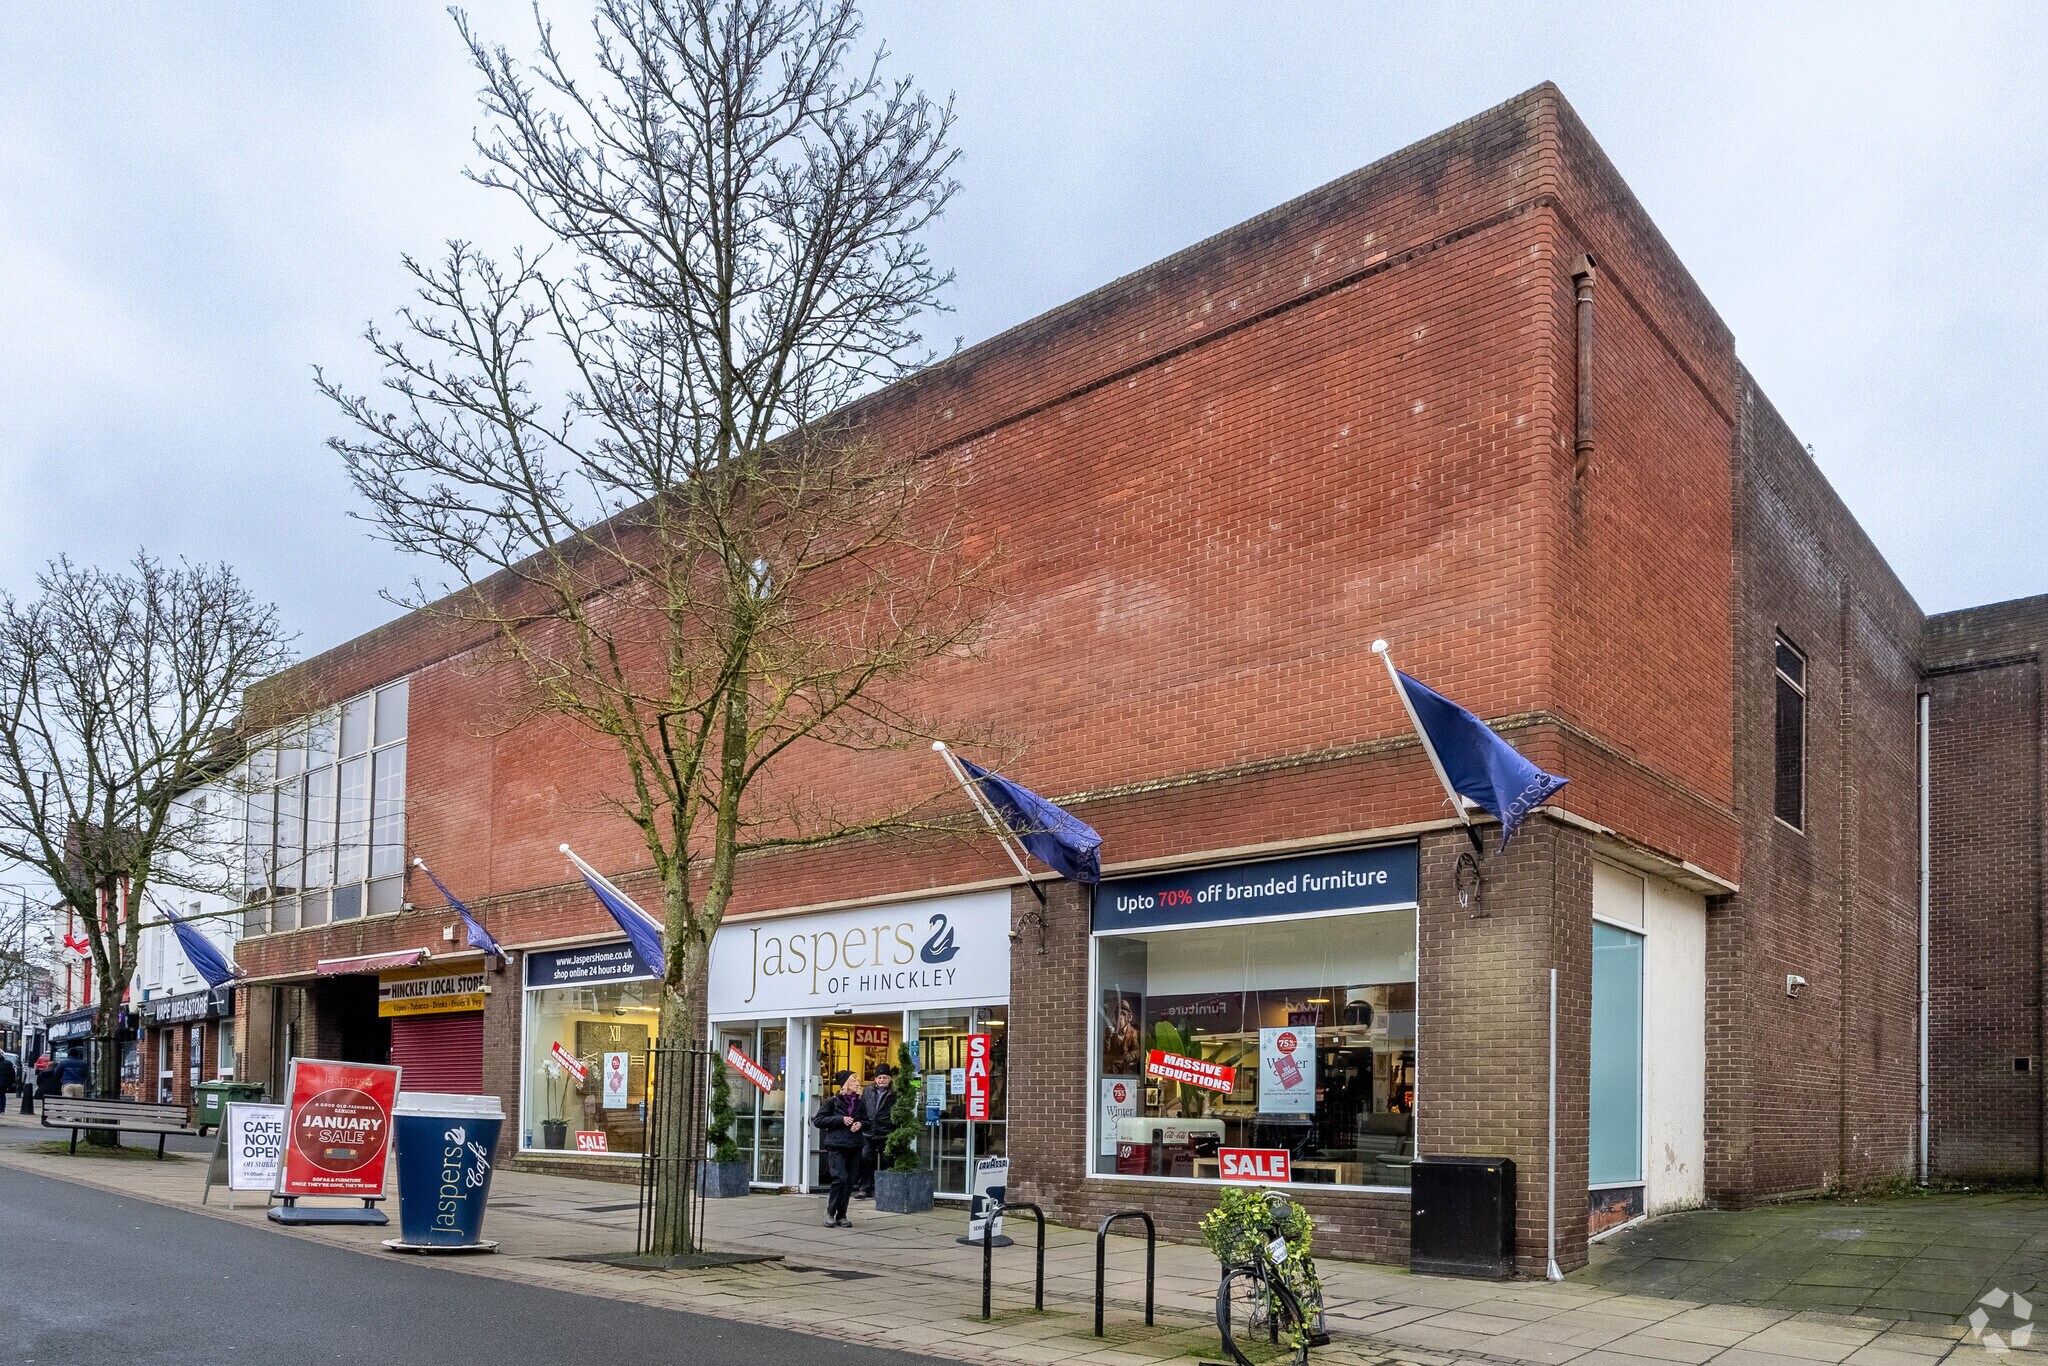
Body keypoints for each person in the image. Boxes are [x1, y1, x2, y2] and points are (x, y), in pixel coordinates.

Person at [811, 1069, 864, 1227]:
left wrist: (860, 1124)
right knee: (839, 1178)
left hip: (855, 1145)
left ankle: (842, 1215)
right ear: (846, 1084)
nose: (857, 1084)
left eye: (858, 1081)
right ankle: (830, 1212)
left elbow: (868, 1121)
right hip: (836, 1145)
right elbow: (819, 1121)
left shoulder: (860, 1103)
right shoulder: (832, 1102)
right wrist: (840, 1119)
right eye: (854, 1081)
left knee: (849, 1182)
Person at [854, 1065, 897, 1199]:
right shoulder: (867, 1090)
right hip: (868, 1131)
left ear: (890, 1079)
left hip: (887, 1131)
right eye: (879, 1077)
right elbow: (861, 1107)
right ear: (875, 1078)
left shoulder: (895, 1092)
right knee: (865, 1159)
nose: (882, 1080)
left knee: (887, 1161)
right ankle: (865, 1188)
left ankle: (885, 1189)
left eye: (885, 1077)